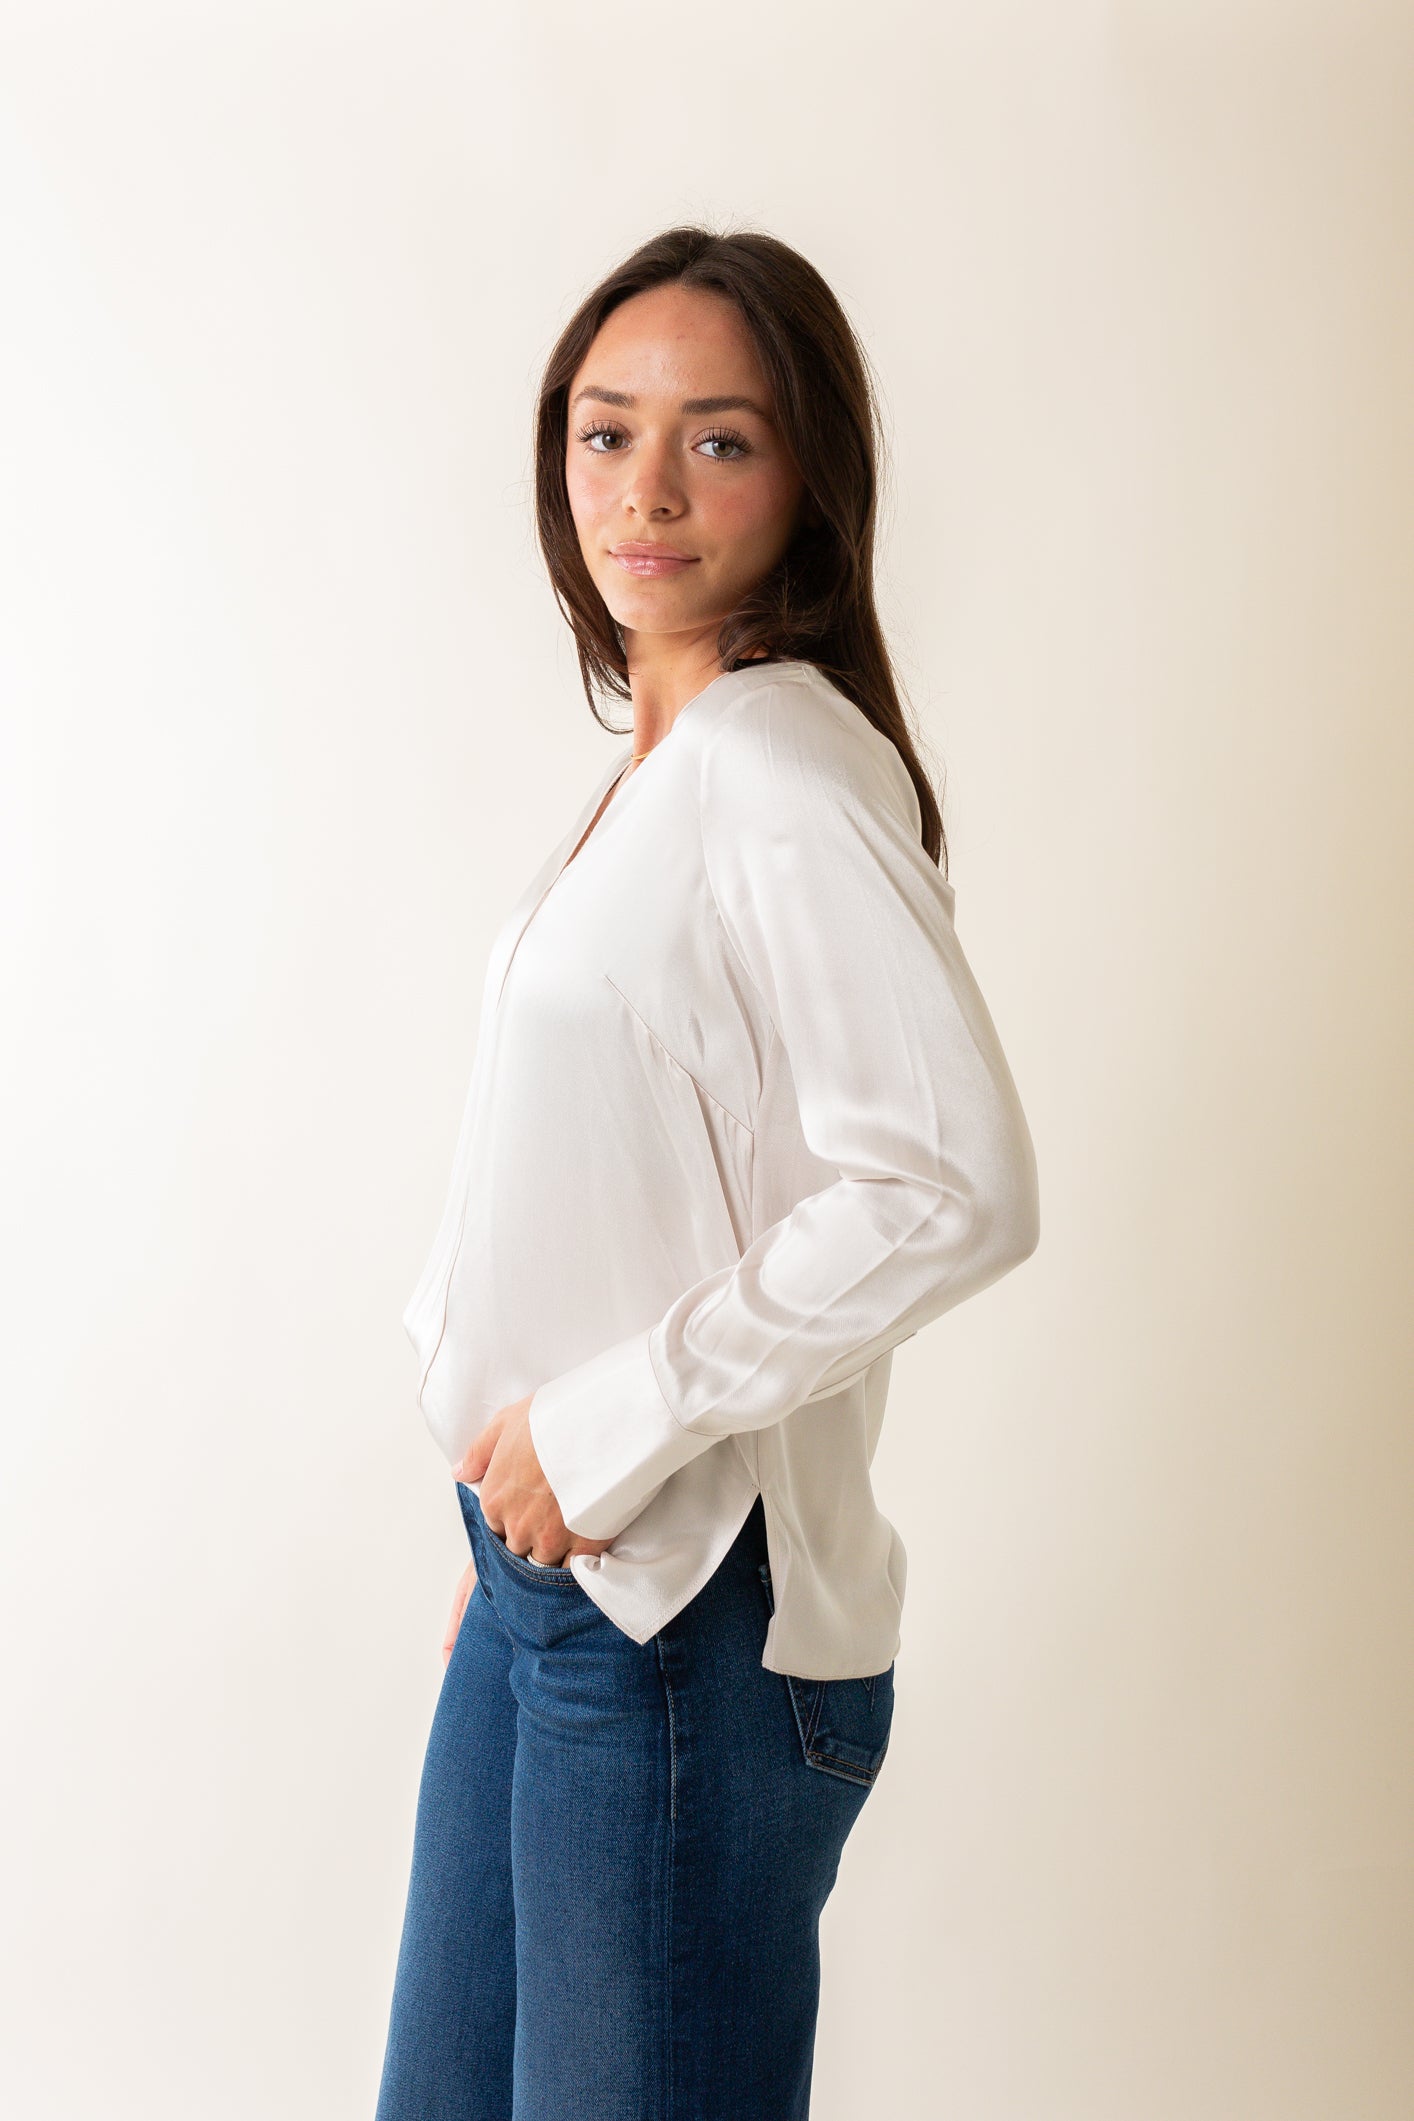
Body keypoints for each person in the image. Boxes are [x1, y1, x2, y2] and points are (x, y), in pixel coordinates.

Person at [374, 224, 1040, 2121]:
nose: (644, 490)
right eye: (605, 433)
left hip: (680, 1625)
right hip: (549, 1590)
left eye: (717, 440)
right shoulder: (669, 763)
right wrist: (509, 1505)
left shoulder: (777, 768)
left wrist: (601, 1429)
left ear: (808, 476)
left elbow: (953, 1186)